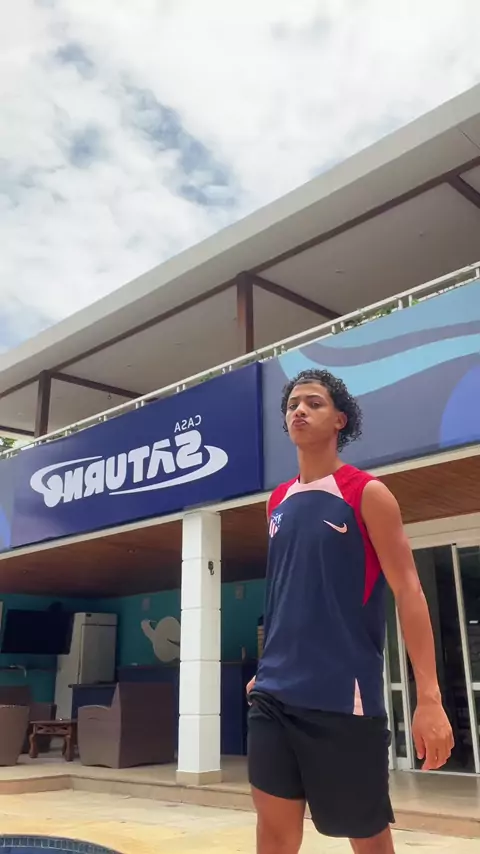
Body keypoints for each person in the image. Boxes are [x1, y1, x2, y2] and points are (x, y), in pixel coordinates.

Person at [246, 369, 453, 854]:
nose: (299, 410)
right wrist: (266, 667)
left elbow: (409, 591)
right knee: (273, 834)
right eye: (293, 404)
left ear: (340, 419)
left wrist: (429, 697)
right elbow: (285, 592)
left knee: (368, 840)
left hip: (344, 701)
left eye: (313, 403)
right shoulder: (277, 502)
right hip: (273, 697)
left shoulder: (366, 493)